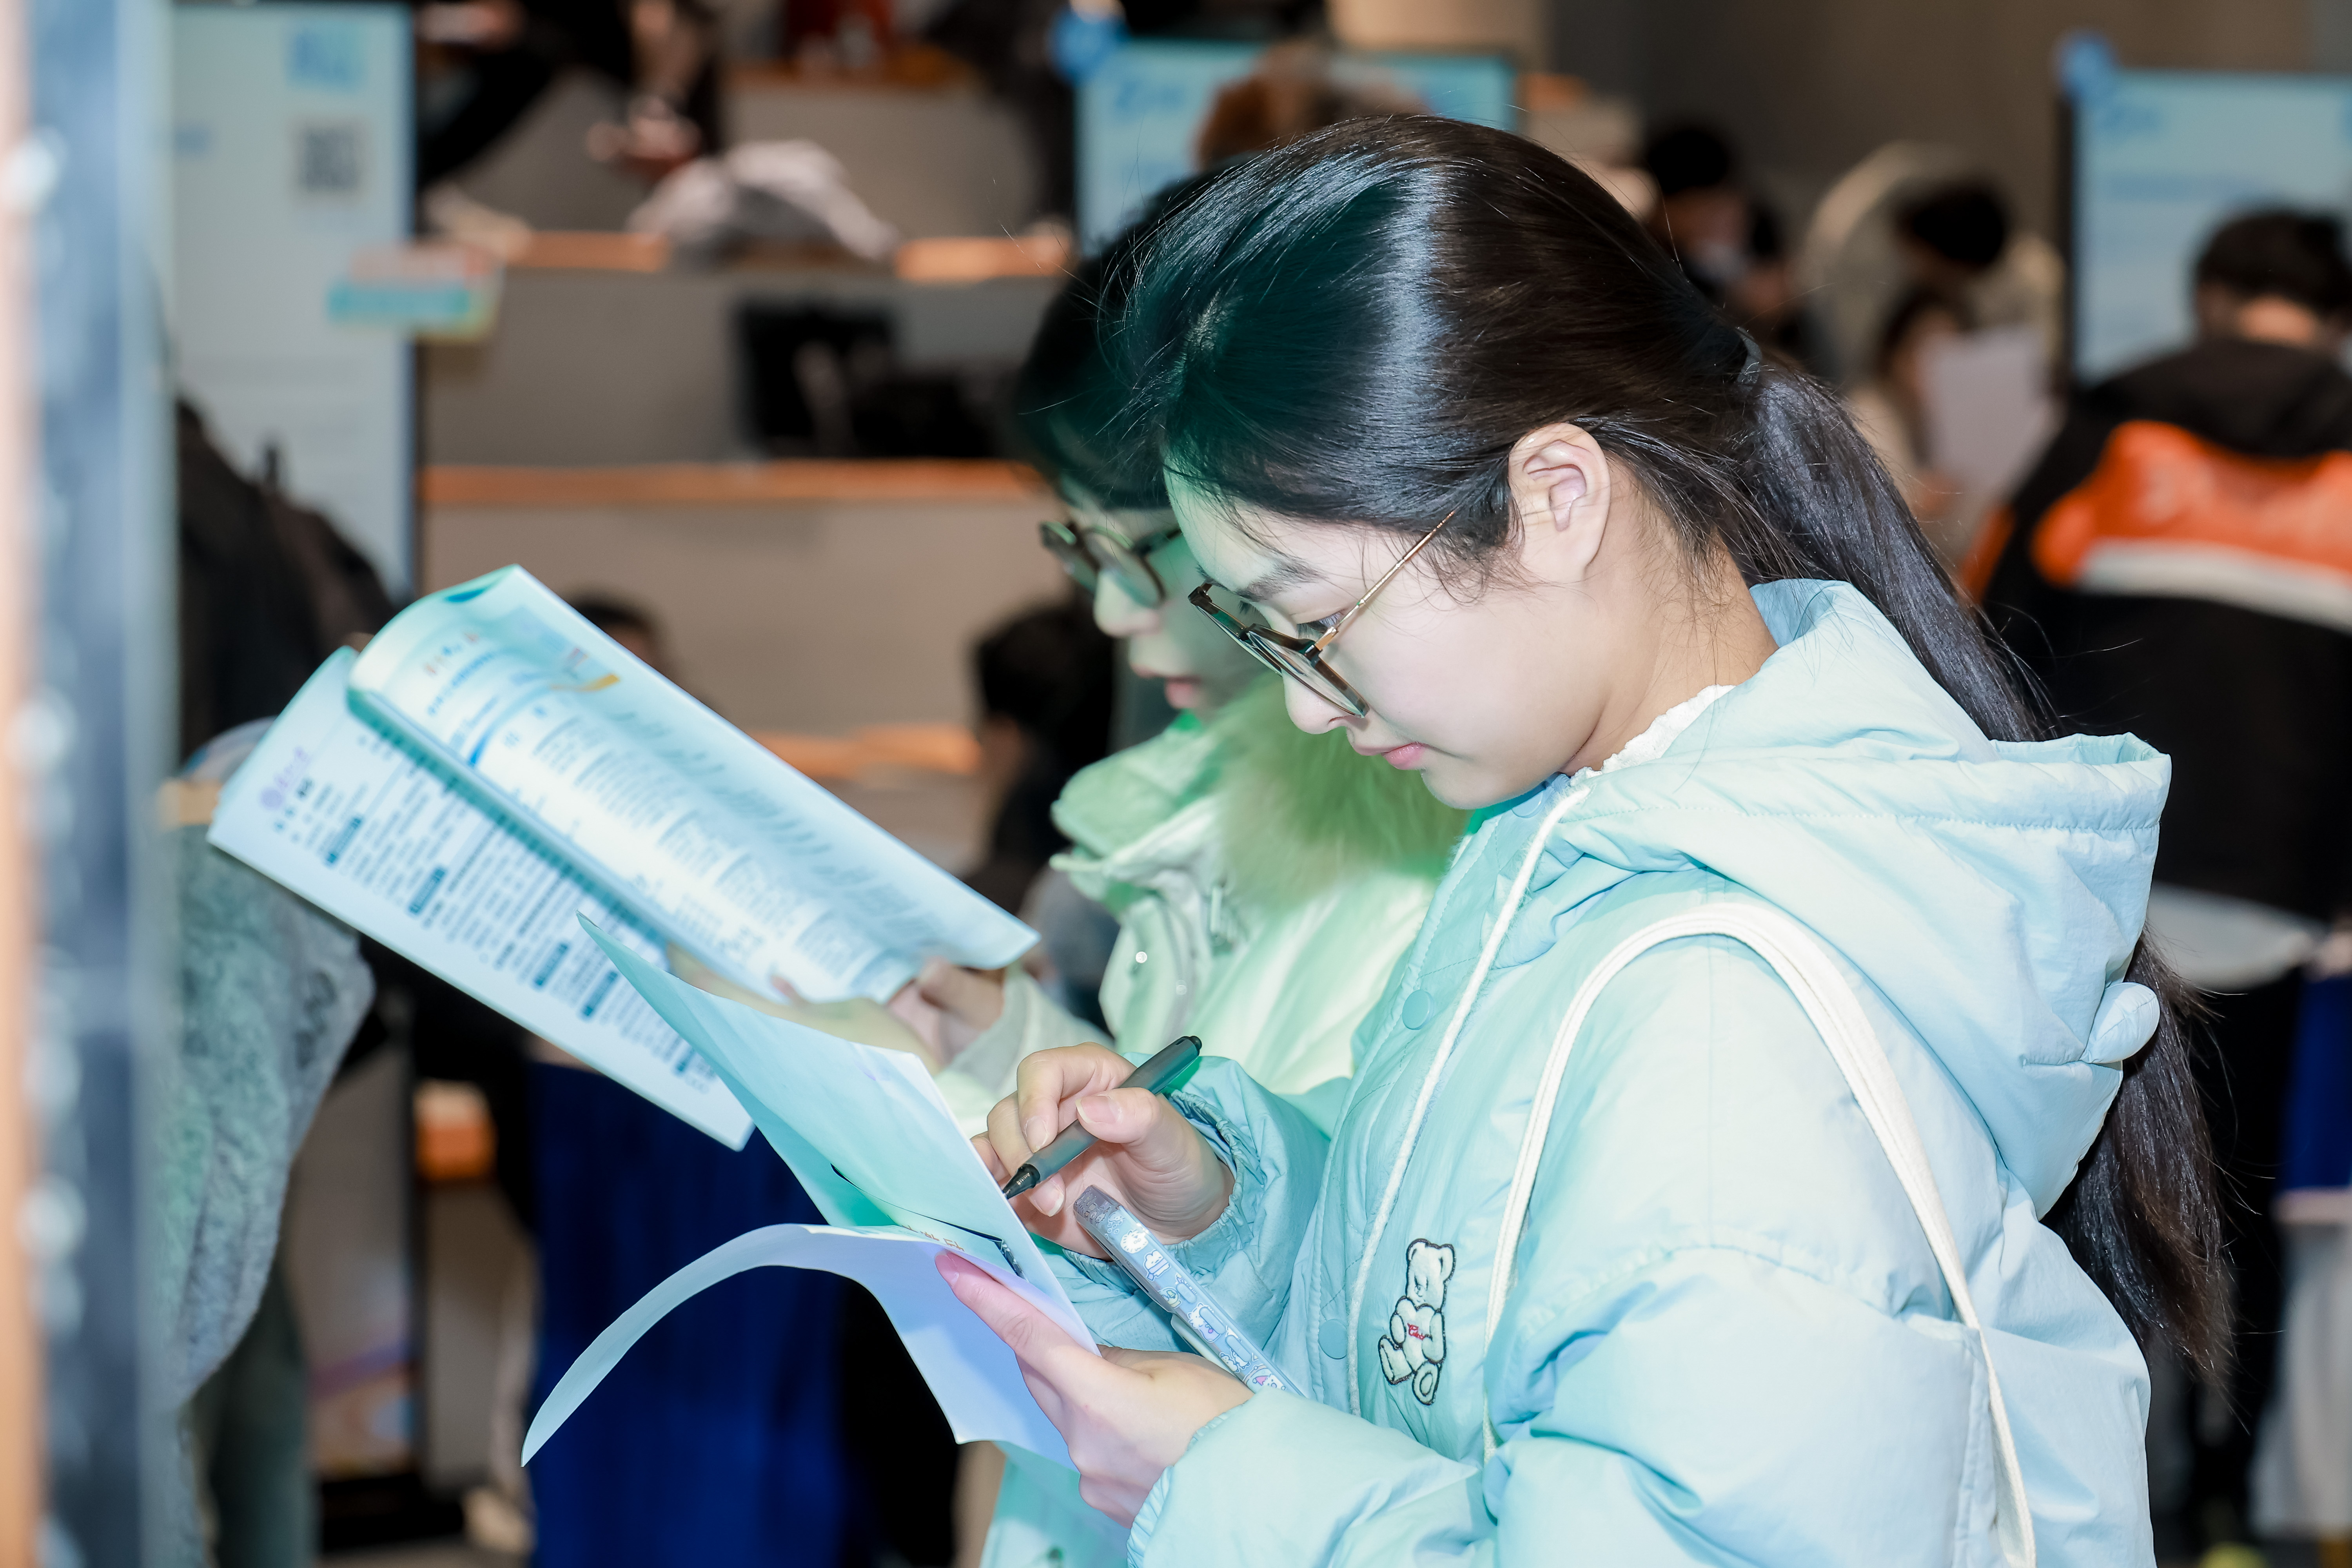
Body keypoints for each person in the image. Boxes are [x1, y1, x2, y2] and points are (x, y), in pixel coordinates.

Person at [937, 116, 2230, 1566]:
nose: (1302, 703)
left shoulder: (1726, 1020)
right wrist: (1223, 1205)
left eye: (1315, 620)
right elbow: (1458, 1334)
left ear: (1554, 499)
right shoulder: (1574, 848)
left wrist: (1231, 1486)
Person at [918, 186, 1465, 1568]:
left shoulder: (1427, 827)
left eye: (1143, 549)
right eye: (1078, 548)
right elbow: (1197, 1124)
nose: (1113, 612)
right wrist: (1009, 1045)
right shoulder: (1221, 778)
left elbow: (1346, 1300)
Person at [1975, 207, 2352, 1560]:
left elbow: (1990, 629)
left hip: (2103, 883)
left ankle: (2086, 1508)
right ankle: (2227, 1510)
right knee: (2240, 1206)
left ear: (2208, 300)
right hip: (2279, 894)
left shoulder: (2115, 425)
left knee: (2079, 1195)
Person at [1844, 286, 1971, 561]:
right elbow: (1859, 534)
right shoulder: (1863, 417)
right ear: (1896, 355)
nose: (1940, 368)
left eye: (1953, 355)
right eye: (1929, 352)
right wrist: (1919, 510)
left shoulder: (1957, 422)